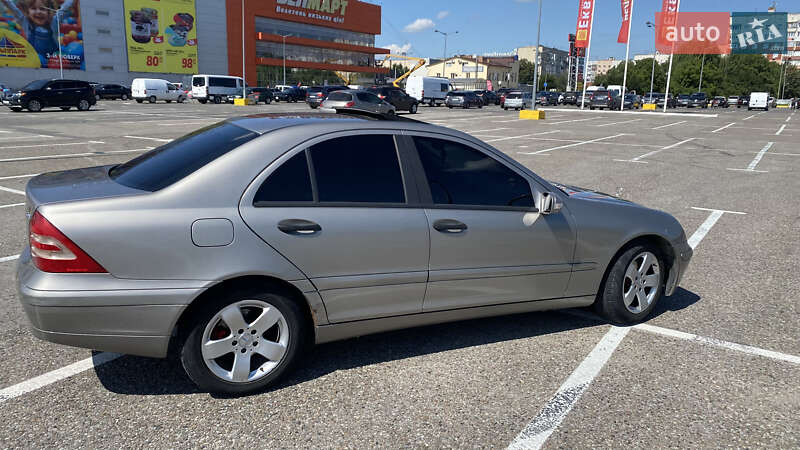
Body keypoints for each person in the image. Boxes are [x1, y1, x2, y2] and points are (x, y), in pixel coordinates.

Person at [0, 0, 74, 60]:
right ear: (28, 12)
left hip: (53, 59)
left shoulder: (53, 23)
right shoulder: (26, 23)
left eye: (42, 9)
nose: (38, 12)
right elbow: (14, 10)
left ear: (49, 12)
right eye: (33, 8)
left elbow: (64, 8)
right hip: (34, 59)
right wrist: (5, 1)